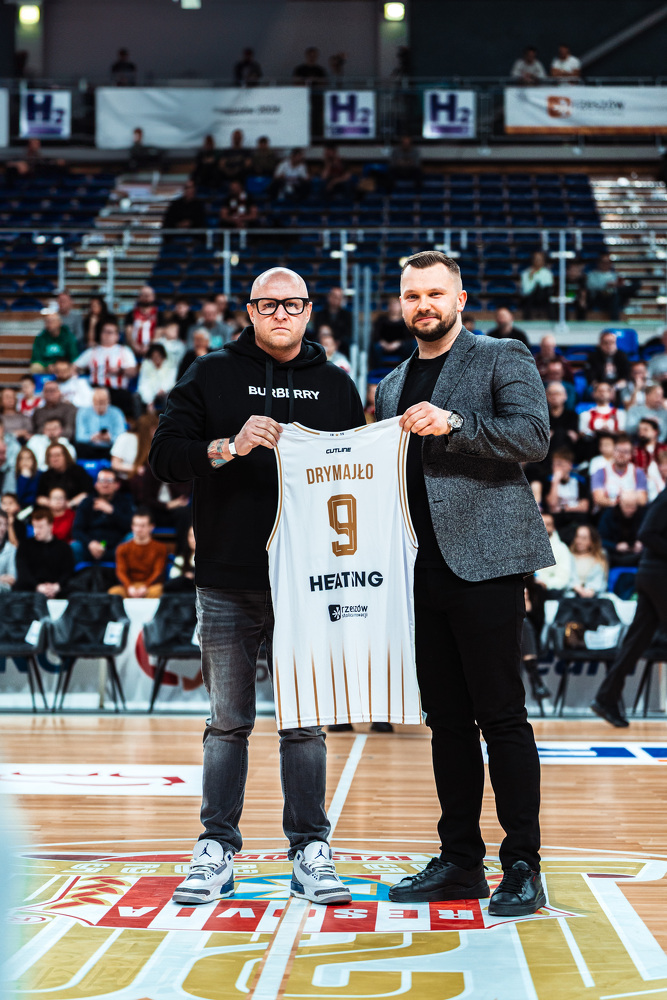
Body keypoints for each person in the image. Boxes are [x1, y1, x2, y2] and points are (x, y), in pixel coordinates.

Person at [149, 265, 365, 907]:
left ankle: (310, 850)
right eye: (268, 305)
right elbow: (164, 457)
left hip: (309, 582)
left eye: (292, 304)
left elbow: (358, 476)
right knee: (227, 723)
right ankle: (216, 847)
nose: (280, 315)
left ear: (308, 311)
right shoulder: (210, 372)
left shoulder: (335, 383)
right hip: (226, 576)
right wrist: (227, 445)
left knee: (306, 724)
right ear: (249, 311)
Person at [375, 250, 552, 916]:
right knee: (446, 722)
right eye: (411, 295)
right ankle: (460, 861)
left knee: (501, 717)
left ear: (459, 299)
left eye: (434, 293)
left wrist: (455, 423)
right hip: (417, 570)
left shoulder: (502, 355)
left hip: (487, 563)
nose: (422, 305)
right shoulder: (391, 385)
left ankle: (523, 864)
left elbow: (532, 436)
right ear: (401, 304)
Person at [592, 487, 667, 727]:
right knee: (636, 641)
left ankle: (606, 698)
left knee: (635, 642)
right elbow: (646, 533)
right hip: (658, 576)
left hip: (653, 575)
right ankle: (606, 698)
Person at [71, 468, 133, 565]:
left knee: (132, 538)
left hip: (115, 548)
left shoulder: (124, 502)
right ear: (96, 484)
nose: (105, 484)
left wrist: (112, 511)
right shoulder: (87, 502)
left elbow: (131, 526)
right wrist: (90, 543)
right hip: (91, 547)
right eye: (102, 480)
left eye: (109, 481)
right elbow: (77, 530)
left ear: (117, 485)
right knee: (75, 547)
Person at [14, 506, 74, 596]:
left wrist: (57, 586)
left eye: (40, 527)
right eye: (34, 526)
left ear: (50, 526)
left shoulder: (64, 547)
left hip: (58, 589)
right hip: (31, 589)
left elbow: (68, 571)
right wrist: (37, 586)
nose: (36, 531)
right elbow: (23, 570)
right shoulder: (25, 546)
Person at [108, 509, 167, 598]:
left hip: (150, 587)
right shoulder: (122, 548)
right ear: (132, 527)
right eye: (136, 525)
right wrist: (129, 587)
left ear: (151, 527)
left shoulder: (160, 548)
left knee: (158, 591)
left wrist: (145, 587)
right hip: (129, 586)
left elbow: (158, 572)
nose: (139, 529)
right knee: (114, 592)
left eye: (143, 526)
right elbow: (121, 571)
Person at [591, 434, 648, 509]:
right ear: (613, 452)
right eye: (618, 451)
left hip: (631, 511)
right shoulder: (601, 472)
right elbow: (598, 499)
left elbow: (642, 500)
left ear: (631, 455)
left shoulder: (638, 472)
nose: (621, 454)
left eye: (626, 452)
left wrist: (622, 500)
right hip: (608, 510)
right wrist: (622, 501)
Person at [35, 443, 92, 509]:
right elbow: (39, 498)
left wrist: (70, 503)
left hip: (74, 509)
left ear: (66, 456)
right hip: (51, 510)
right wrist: (51, 503)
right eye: (51, 456)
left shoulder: (78, 471)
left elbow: (86, 493)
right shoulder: (45, 475)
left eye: (58, 455)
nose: (55, 459)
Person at [75, 388, 126, 459]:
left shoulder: (117, 413)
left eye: (102, 402)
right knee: (79, 447)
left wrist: (110, 438)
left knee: (119, 449)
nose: (99, 405)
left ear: (108, 401)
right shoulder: (83, 412)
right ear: (92, 401)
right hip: (89, 447)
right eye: (96, 402)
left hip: (110, 448)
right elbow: (79, 436)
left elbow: (122, 436)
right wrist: (92, 437)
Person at [598, 491, 646, 568]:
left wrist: (642, 542)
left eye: (633, 507)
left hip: (638, 555)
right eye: (627, 506)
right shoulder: (609, 514)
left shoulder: (642, 513)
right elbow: (600, 539)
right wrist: (615, 546)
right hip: (614, 554)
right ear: (620, 503)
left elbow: (649, 534)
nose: (630, 510)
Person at [586, 254, 636, 321]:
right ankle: (615, 320)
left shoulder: (615, 275)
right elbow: (590, 286)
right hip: (599, 297)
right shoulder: (592, 274)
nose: (605, 264)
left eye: (607, 262)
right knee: (615, 296)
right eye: (603, 262)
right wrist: (606, 285)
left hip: (614, 296)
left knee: (633, 285)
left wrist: (618, 285)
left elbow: (618, 285)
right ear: (599, 263)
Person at [534, 511, 574, 595]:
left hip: (549, 590)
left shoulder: (562, 548)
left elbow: (563, 578)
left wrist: (546, 583)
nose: (544, 527)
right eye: (540, 523)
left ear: (554, 528)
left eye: (548, 524)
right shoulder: (524, 545)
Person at [568, 524, 608, 597]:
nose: (579, 541)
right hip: (571, 595)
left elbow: (600, 580)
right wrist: (576, 587)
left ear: (592, 541)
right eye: (577, 537)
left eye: (584, 538)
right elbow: (565, 577)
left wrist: (591, 590)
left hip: (594, 596)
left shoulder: (599, 558)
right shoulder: (568, 556)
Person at [314, 287, 352, 355]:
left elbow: (348, 332)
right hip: (323, 343)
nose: (336, 299)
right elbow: (317, 331)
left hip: (341, 345)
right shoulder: (320, 314)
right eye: (334, 296)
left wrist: (337, 342)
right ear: (329, 297)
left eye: (339, 297)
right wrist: (327, 342)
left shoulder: (347, 315)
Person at [125, 286, 159, 360]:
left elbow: (159, 333)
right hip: (133, 348)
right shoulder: (131, 314)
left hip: (152, 350)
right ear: (139, 297)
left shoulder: (158, 314)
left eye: (148, 295)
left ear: (153, 297)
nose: (146, 297)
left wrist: (149, 346)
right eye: (143, 294)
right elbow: (128, 332)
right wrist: (134, 345)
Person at [519, 251, 553, 320]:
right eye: (536, 259)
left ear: (543, 261)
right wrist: (531, 277)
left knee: (549, 297)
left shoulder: (547, 273)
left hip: (544, 297)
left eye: (540, 259)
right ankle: (527, 322)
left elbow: (548, 287)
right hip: (531, 297)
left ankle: (552, 321)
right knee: (528, 300)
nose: (538, 261)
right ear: (532, 260)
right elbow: (526, 291)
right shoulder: (526, 273)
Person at [164, 523, 196, 593]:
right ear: (187, 538)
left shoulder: (210, 561)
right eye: (191, 536)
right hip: (185, 596)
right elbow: (171, 583)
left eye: (196, 536)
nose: (194, 540)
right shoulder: (180, 559)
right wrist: (185, 578)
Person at [0, 509, 17, 591]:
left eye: (5, 524)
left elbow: (12, 578)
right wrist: (2, 578)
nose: (3, 528)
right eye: (0, 524)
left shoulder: (11, 549)